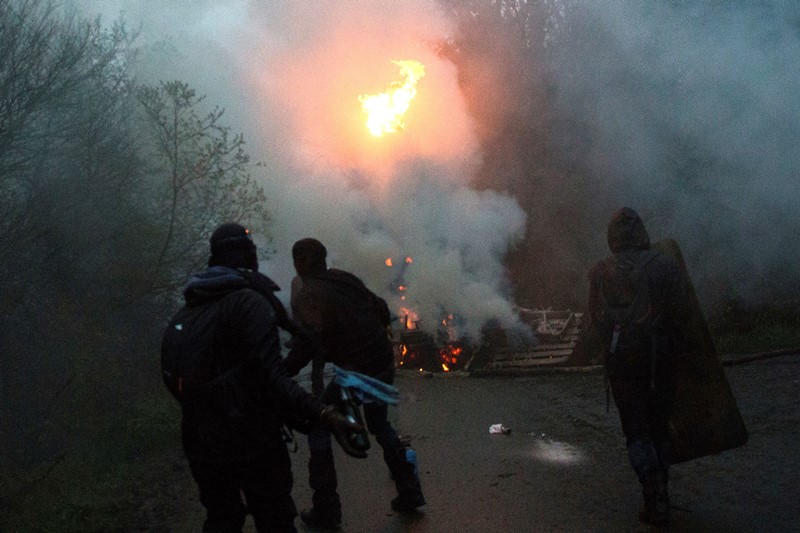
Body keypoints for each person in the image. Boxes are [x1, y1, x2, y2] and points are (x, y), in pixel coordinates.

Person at [162, 223, 362, 533]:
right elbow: (273, 379)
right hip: (252, 441)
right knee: (275, 519)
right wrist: (323, 413)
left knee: (222, 520)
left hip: (201, 443)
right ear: (245, 254)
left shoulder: (188, 311)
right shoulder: (250, 303)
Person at [282, 237, 426, 529]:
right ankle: (409, 491)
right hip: (381, 362)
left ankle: (327, 511)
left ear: (299, 263)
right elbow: (381, 307)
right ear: (323, 259)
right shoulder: (343, 279)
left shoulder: (308, 294)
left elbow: (308, 341)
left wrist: (282, 371)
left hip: (358, 372)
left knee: (318, 425)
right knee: (380, 424)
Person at [587, 207, 689, 525]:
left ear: (612, 237)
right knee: (659, 428)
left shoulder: (600, 272)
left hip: (623, 363)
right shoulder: (666, 266)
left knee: (636, 431)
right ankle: (660, 496)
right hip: (662, 360)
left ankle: (653, 492)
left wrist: (609, 348)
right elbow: (682, 314)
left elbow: (596, 320)